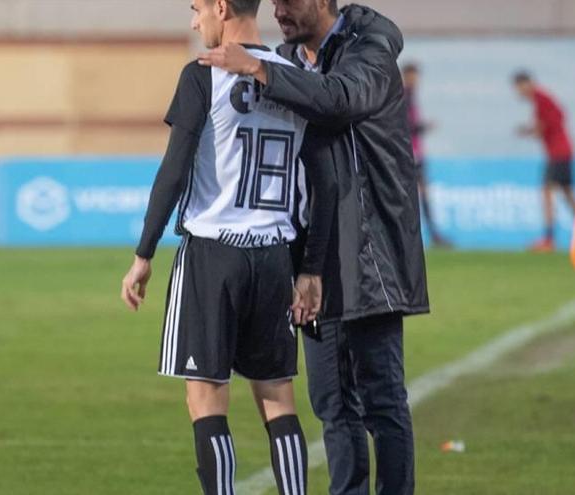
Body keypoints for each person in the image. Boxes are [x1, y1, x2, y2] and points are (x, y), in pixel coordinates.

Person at [199, 2, 429, 494]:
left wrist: (259, 67)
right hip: (312, 259)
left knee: (382, 400)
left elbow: (339, 98)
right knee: (330, 402)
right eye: (274, 1)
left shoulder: (370, 48)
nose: (279, 9)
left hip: (372, 254)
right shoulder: (287, 59)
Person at [120, 1, 338, 493]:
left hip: (214, 254)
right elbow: (324, 182)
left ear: (221, 6)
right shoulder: (293, 74)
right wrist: (310, 268)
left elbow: (174, 170)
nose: (195, 21)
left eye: (197, 9)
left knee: (206, 400)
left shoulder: (203, 75)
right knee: (278, 398)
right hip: (274, 255)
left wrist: (144, 253)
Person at [514, 71, 575, 252]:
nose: (520, 93)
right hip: (563, 151)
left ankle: (549, 238)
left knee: (546, 192)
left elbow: (542, 128)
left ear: (528, 83)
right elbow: (555, 120)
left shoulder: (541, 99)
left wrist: (527, 132)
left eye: (520, 88)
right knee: (568, 195)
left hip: (558, 153)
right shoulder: (543, 99)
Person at [403, 63, 451, 247]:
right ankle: (417, 235)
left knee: (422, 196)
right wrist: (424, 127)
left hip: (417, 154)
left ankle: (432, 235)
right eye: (412, 77)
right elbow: (405, 126)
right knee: (414, 196)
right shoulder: (404, 96)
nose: (415, 81)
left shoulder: (412, 96)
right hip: (409, 155)